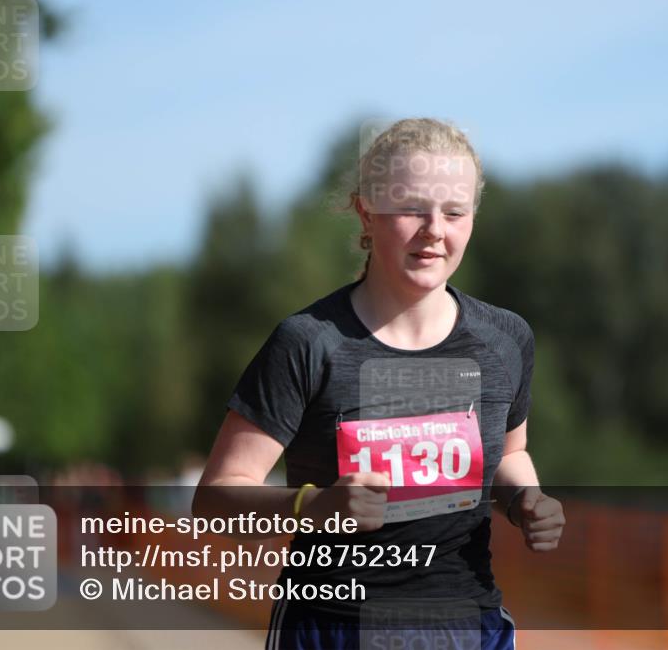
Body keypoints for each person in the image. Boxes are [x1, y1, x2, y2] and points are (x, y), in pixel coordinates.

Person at [193, 117, 565, 650]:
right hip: (333, 628)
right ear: (367, 212)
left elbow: (510, 453)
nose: (434, 229)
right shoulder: (308, 342)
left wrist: (526, 501)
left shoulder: (506, 340)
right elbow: (213, 501)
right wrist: (311, 508)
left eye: (454, 212)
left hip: (466, 625)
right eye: (412, 208)